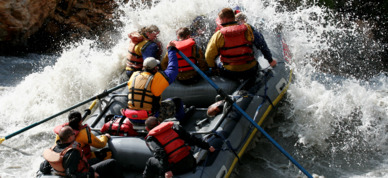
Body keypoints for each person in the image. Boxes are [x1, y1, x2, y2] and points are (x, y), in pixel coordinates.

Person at [205, 7, 277, 86]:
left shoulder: (218, 35)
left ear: (224, 20)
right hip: (251, 70)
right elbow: (262, 44)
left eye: (220, 20)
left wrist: (214, 68)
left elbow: (208, 56)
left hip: (230, 72)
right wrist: (270, 60)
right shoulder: (248, 28)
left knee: (217, 59)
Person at [124, 41, 180, 123]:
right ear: (155, 68)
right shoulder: (156, 78)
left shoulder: (134, 75)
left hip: (132, 117)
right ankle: (183, 120)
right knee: (177, 102)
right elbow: (173, 69)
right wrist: (171, 50)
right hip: (149, 118)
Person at [142, 117, 215, 178]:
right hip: (190, 162)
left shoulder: (151, 139)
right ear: (159, 123)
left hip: (175, 169)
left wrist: (167, 170)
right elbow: (192, 139)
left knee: (150, 161)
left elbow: (160, 153)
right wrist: (208, 146)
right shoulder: (175, 127)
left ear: (147, 129)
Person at [40, 126, 123, 178]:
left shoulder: (54, 148)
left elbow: (43, 168)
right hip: (84, 173)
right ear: (69, 138)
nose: (74, 135)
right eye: (73, 134)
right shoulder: (72, 153)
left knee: (98, 159)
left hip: (66, 171)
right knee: (112, 163)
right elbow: (71, 174)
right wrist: (90, 175)